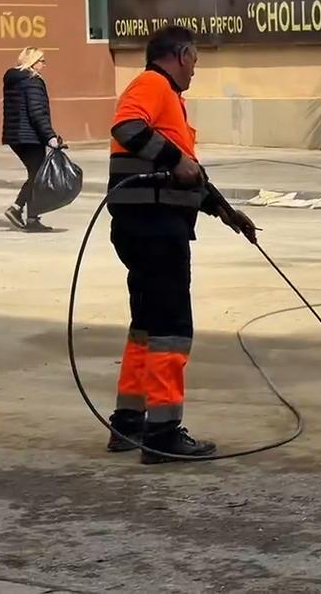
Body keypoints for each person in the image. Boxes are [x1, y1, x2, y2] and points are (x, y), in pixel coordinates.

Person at [103, 25, 258, 464]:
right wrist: (174, 159)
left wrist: (226, 211)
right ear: (183, 54)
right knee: (172, 328)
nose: (195, 71)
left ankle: (129, 423)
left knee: (148, 326)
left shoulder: (168, 98)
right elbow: (128, 126)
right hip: (155, 229)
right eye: (195, 61)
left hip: (142, 226)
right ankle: (164, 432)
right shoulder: (152, 85)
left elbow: (186, 174)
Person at [1, 47, 61, 232]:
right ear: (33, 61)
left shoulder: (14, 80)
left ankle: (32, 218)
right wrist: (50, 136)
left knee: (36, 175)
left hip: (15, 135)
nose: (44, 64)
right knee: (38, 175)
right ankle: (17, 208)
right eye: (42, 60)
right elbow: (37, 113)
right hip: (29, 136)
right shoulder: (32, 81)